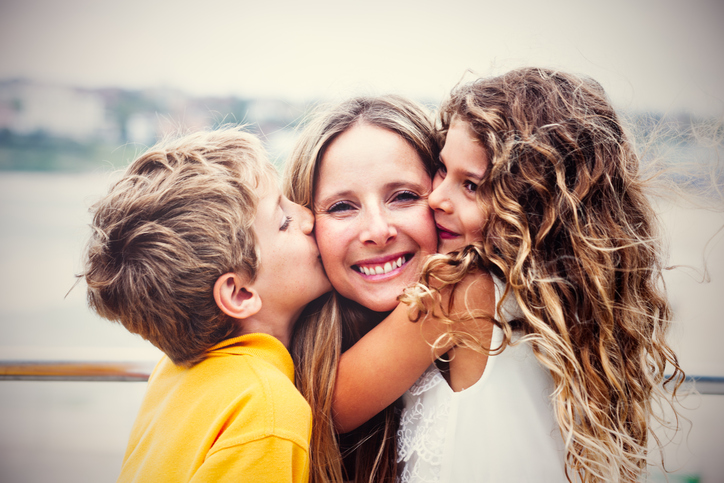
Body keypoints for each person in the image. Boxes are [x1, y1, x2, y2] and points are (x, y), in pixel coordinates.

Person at [392, 67, 685, 482]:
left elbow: (338, 403)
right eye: (442, 169)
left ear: (534, 208)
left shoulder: (466, 292)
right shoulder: (569, 310)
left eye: (472, 186)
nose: (437, 197)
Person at [81, 128, 331, 482]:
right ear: (239, 294)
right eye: (284, 221)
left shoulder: (170, 375)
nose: (308, 217)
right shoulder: (267, 410)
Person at [284, 95, 447, 482]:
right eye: (342, 206)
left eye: (404, 196)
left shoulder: (484, 308)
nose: (377, 231)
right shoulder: (285, 361)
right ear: (306, 223)